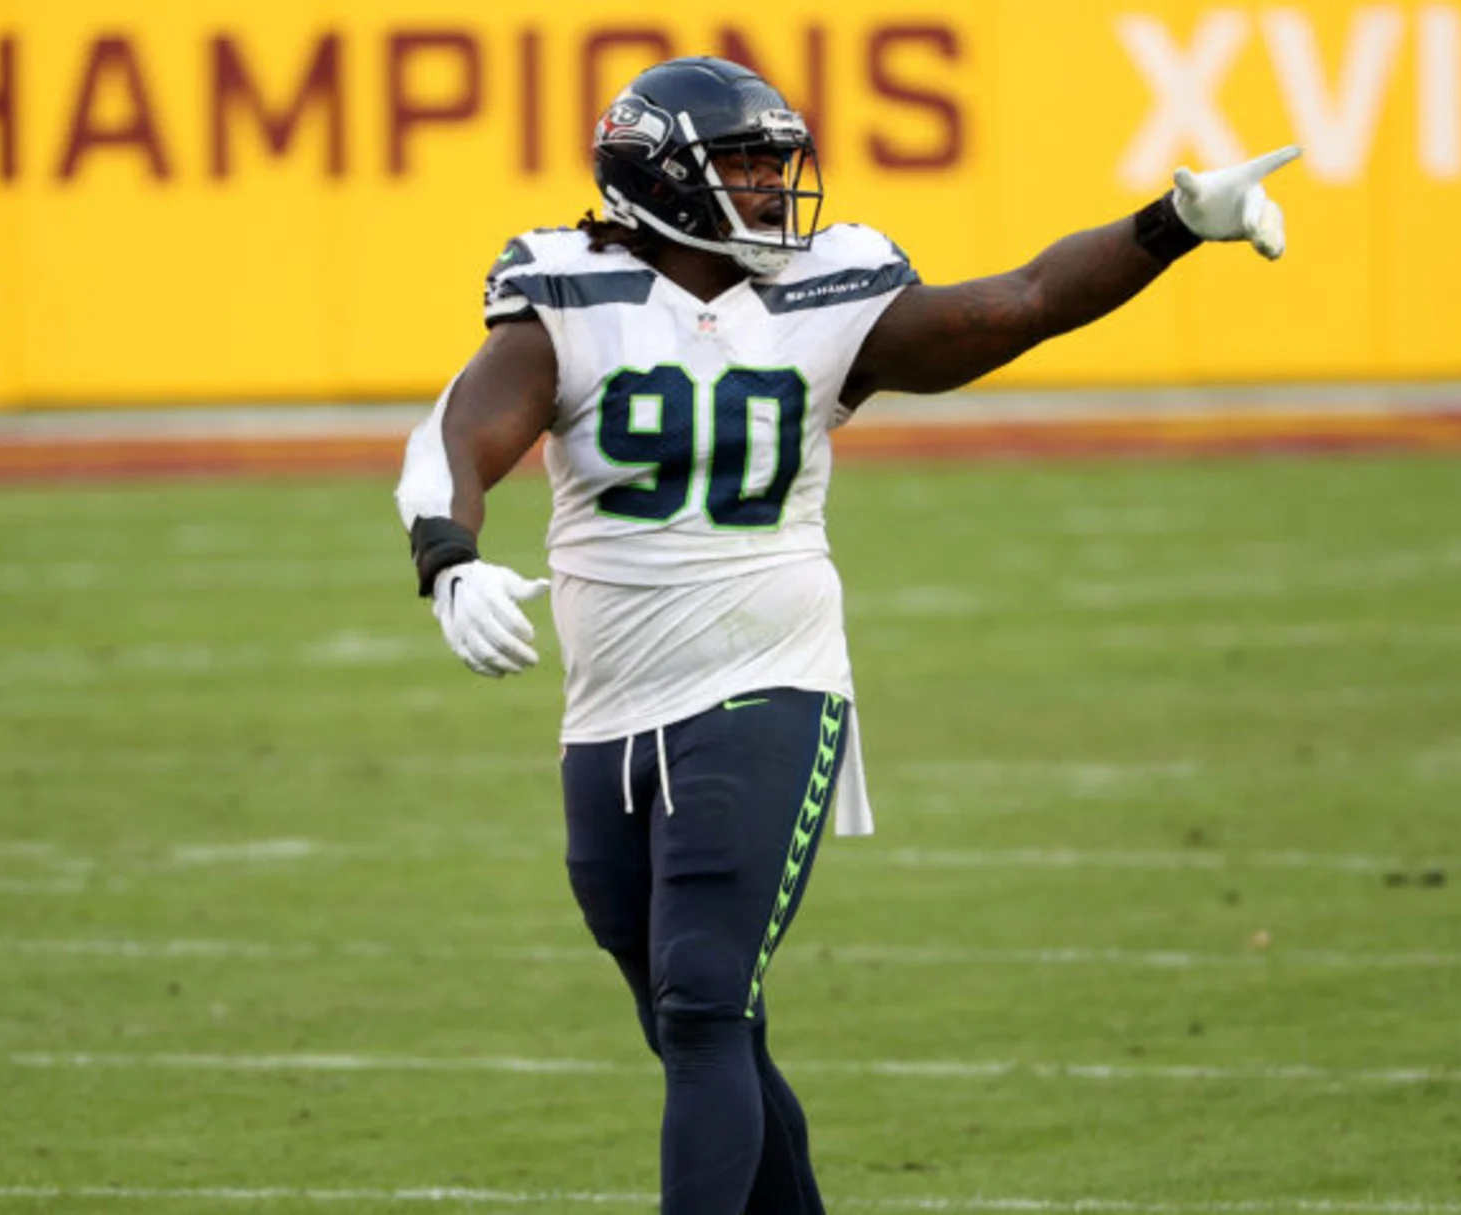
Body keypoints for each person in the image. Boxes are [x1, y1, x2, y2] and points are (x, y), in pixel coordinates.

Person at [395, 54, 1299, 1215]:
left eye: (779, 163)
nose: (776, 188)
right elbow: (457, 436)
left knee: (706, 999)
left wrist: (1168, 225)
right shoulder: (569, 291)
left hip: (771, 678)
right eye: (746, 165)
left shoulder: (832, 288)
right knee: (690, 1021)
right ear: (658, 180)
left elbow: (1019, 300)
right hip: (610, 702)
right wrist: (447, 555)